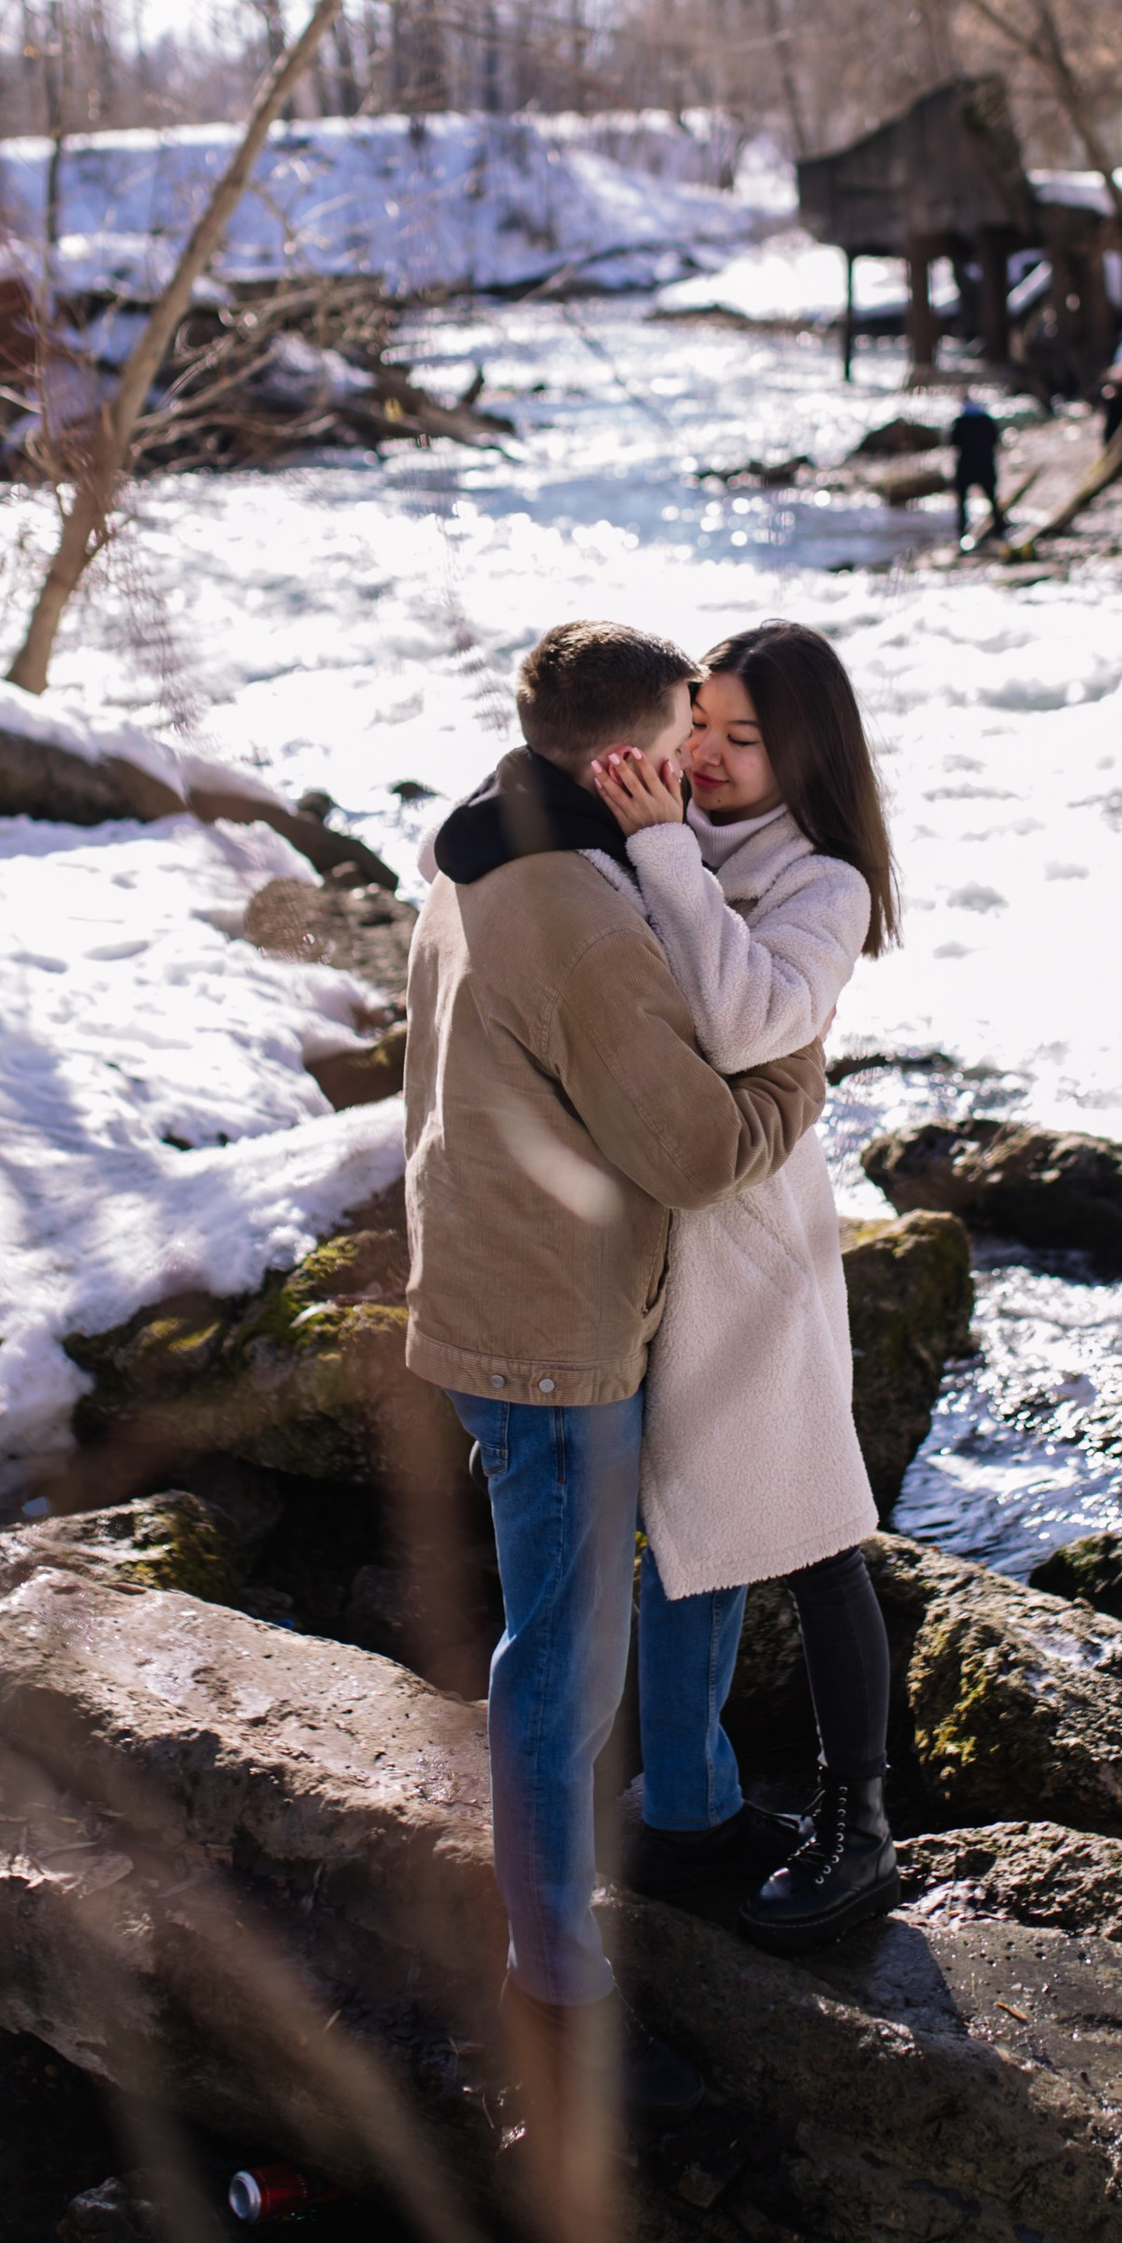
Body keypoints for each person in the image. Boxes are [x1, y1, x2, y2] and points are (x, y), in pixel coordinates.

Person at [404, 619, 827, 2112]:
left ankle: (692, 1809)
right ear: (614, 759)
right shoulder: (583, 914)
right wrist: (796, 1064)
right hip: (550, 1334)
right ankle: (553, 1977)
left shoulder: (489, 815)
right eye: (678, 740)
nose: (699, 768)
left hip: (497, 1271)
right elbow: (703, 1150)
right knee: (564, 1655)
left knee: (675, 1551)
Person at [588, 620, 903, 1953]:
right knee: (679, 1538)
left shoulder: (822, 883)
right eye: (697, 722)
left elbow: (743, 1021)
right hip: (643, 1236)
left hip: (756, 1248)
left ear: (807, 750)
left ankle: (858, 1820)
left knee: (817, 1535)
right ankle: (684, 1810)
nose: (704, 756)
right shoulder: (664, 823)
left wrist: (659, 849)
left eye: (742, 737)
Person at [949, 395, 1002, 546]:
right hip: (985, 464)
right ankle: (998, 527)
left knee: (962, 502)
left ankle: (962, 530)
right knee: (991, 498)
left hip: (965, 466)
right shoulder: (987, 421)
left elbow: (954, 442)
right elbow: (995, 440)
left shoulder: (960, 422)